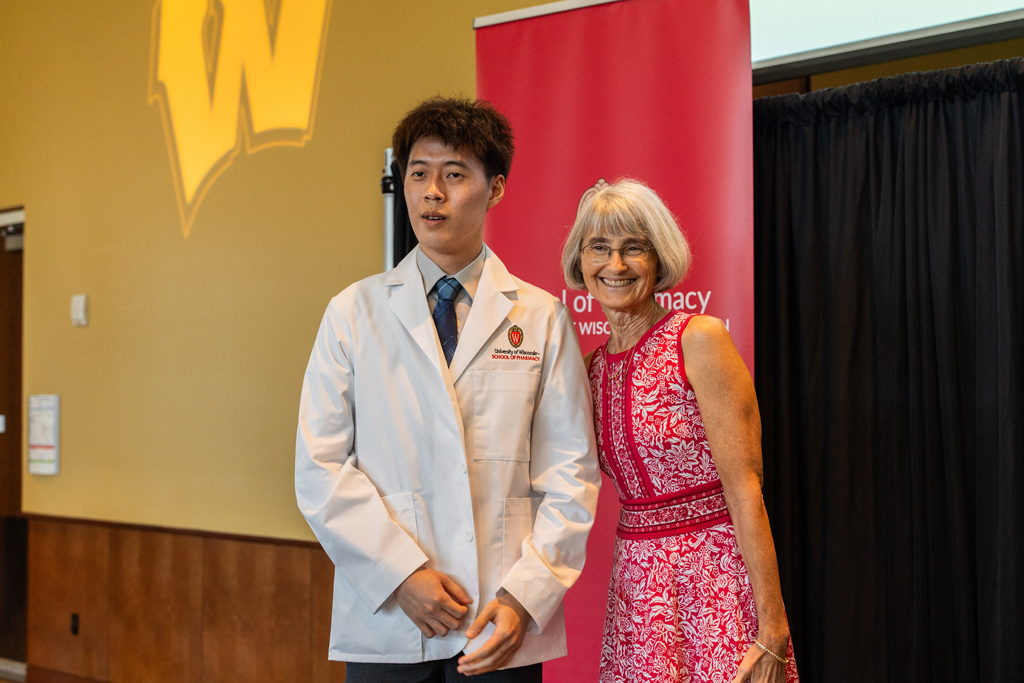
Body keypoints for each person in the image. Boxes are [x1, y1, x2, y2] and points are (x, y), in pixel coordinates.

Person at [295, 97, 600, 682]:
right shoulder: (352, 311)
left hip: (499, 619)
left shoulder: (540, 317)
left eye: (454, 174)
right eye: (418, 173)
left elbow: (570, 473)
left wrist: (525, 596)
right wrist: (401, 574)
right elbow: (320, 467)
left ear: (497, 188)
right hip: (390, 616)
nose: (432, 191)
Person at [561, 179, 799, 683]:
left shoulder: (699, 339)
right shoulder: (590, 369)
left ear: (659, 258)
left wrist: (773, 628)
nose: (616, 265)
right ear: (580, 262)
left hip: (715, 584)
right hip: (637, 595)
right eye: (599, 248)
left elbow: (745, 489)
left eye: (633, 249)